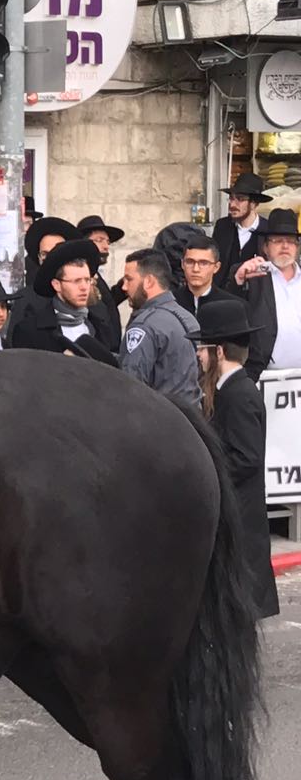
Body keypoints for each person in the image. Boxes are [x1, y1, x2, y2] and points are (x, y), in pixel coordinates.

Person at [188, 299, 279, 619]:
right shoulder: (228, 392)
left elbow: (245, 458)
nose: (198, 355)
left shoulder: (239, 395)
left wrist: (205, 472)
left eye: (202, 348)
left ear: (220, 352)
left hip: (240, 521)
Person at [119, 248, 200, 407]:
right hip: (192, 422)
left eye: (129, 279)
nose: (124, 287)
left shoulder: (144, 326)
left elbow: (130, 385)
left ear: (148, 281)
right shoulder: (188, 318)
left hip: (160, 422)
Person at [12, 240, 116, 363]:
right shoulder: (29, 331)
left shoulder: (100, 327)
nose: (84, 287)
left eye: (87, 280)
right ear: (57, 285)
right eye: (76, 281)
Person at [232, 208, 301, 379]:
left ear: (297, 247)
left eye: (290, 241)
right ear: (266, 247)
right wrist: (238, 282)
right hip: (262, 375)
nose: (285, 246)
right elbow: (229, 310)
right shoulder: (252, 275)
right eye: (277, 240)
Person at [7, 216, 80, 337]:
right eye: (45, 254)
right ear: (39, 258)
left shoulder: (82, 293)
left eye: (56, 252)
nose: (51, 259)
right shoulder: (25, 300)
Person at [212, 172, 272, 288]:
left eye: (240, 199)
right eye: (231, 198)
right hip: (224, 296)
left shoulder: (268, 230)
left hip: (256, 298)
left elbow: (272, 267)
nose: (232, 204)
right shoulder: (222, 226)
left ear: (254, 204)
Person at [77, 214, 126, 351]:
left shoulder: (96, 273)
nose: (105, 246)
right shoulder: (82, 273)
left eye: (108, 242)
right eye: (99, 240)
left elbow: (106, 302)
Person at [175, 234, 238, 315]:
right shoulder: (170, 303)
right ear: (182, 264)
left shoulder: (231, 306)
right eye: (190, 262)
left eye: (204, 263)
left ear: (216, 267)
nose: (195, 269)